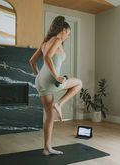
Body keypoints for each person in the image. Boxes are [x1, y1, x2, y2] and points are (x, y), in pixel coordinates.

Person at [29, 16, 82, 156]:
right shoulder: (57, 40)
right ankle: (59, 104)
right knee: (78, 83)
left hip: (40, 81)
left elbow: (32, 61)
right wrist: (56, 77)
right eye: (68, 34)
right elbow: (47, 58)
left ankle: (47, 148)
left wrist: (39, 76)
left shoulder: (45, 42)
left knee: (49, 116)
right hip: (51, 80)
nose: (68, 37)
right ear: (63, 30)